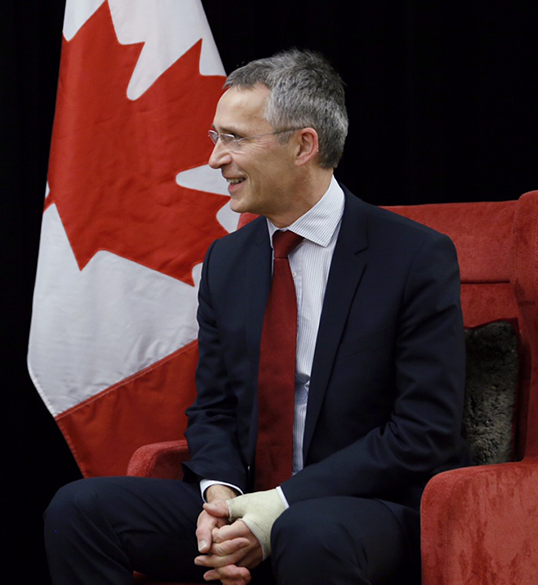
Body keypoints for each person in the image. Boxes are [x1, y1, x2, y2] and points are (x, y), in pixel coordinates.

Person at [43, 49, 468, 585]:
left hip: (364, 507)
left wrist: (281, 506)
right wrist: (222, 497)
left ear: (303, 146)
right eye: (215, 137)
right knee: (81, 510)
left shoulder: (412, 256)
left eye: (235, 139)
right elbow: (213, 407)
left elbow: (423, 431)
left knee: (308, 531)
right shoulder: (228, 260)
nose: (217, 159)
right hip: (249, 500)